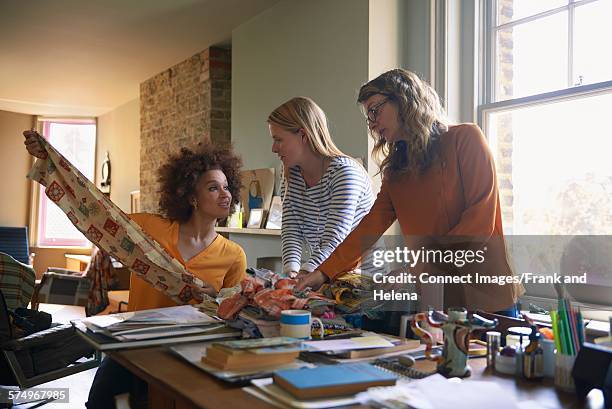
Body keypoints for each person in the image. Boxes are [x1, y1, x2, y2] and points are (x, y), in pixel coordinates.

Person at [24, 130, 247, 408]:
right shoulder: (150, 230)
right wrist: (50, 160)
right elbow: (93, 209)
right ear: (192, 196)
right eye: (213, 187)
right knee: (100, 404)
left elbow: (236, 316)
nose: (225, 195)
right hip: (132, 349)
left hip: (187, 356)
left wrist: (213, 295)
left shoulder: (233, 255)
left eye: (227, 187)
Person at [295, 69, 523, 316]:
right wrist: (323, 272)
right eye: (367, 116)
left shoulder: (465, 139)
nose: (371, 122)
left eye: (375, 110)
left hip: (488, 296)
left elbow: (479, 222)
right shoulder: (396, 171)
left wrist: (414, 268)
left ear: (403, 100)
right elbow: (367, 228)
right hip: (438, 300)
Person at [268, 97, 375, 277]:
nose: (273, 148)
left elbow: (335, 237)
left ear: (303, 135)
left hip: (362, 276)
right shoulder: (290, 173)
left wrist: (305, 273)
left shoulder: (344, 173)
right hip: (323, 271)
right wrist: (292, 272)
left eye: (279, 140)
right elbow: (291, 227)